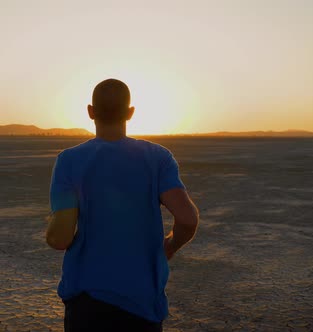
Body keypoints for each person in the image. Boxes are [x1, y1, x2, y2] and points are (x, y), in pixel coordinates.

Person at [47, 78, 199, 331]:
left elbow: (60, 238)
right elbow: (187, 219)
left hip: (87, 300)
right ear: (130, 113)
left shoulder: (69, 161)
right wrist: (170, 246)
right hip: (141, 300)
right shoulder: (158, 158)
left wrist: (51, 227)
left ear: (90, 112)